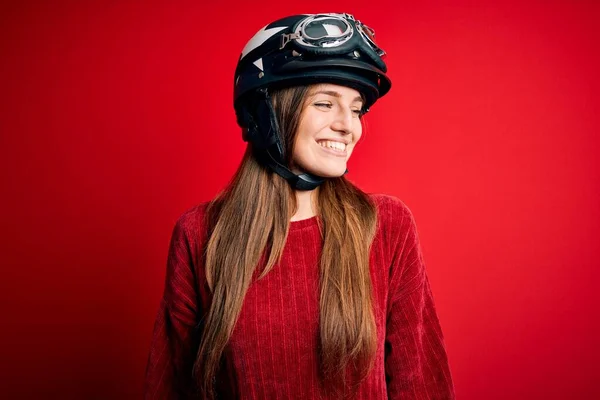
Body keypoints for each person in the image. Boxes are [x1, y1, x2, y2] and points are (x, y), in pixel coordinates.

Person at [144, 13, 455, 399]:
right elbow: (170, 388)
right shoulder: (199, 234)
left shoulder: (388, 226)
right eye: (325, 103)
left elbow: (420, 385)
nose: (349, 126)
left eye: (356, 109)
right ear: (265, 113)